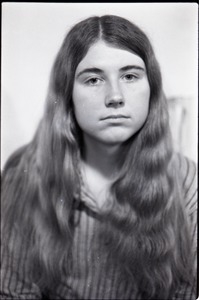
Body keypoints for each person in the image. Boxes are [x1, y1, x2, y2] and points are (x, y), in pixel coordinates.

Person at [1, 15, 197, 300]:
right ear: (67, 94)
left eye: (130, 76)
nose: (115, 96)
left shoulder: (188, 183)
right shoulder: (26, 175)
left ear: (152, 89)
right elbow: (13, 294)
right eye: (93, 79)